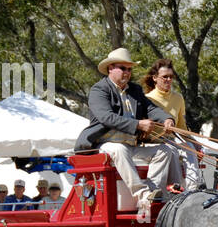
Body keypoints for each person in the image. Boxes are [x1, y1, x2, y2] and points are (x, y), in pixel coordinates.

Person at [75, 47, 179, 212]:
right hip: (104, 143)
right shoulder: (99, 90)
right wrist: (138, 124)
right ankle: (142, 195)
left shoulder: (135, 90)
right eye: (123, 68)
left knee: (165, 150)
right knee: (119, 149)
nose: (127, 72)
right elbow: (106, 117)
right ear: (111, 69)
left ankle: (153, 194)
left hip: (130, 144)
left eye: (129, 69)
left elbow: (151, 108)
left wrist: (167, 119)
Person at [143, 58, 203, 189]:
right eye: (165, 77)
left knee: (190, 147)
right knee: (172, 151)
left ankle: (194, 187)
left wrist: (195, 143)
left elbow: (181, 127)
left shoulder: (178, 98)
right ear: (155, 78)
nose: (169, 80)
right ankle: (174, 189)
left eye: (171, 77)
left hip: (173, 140)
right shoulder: (148, 99)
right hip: (154, 143)